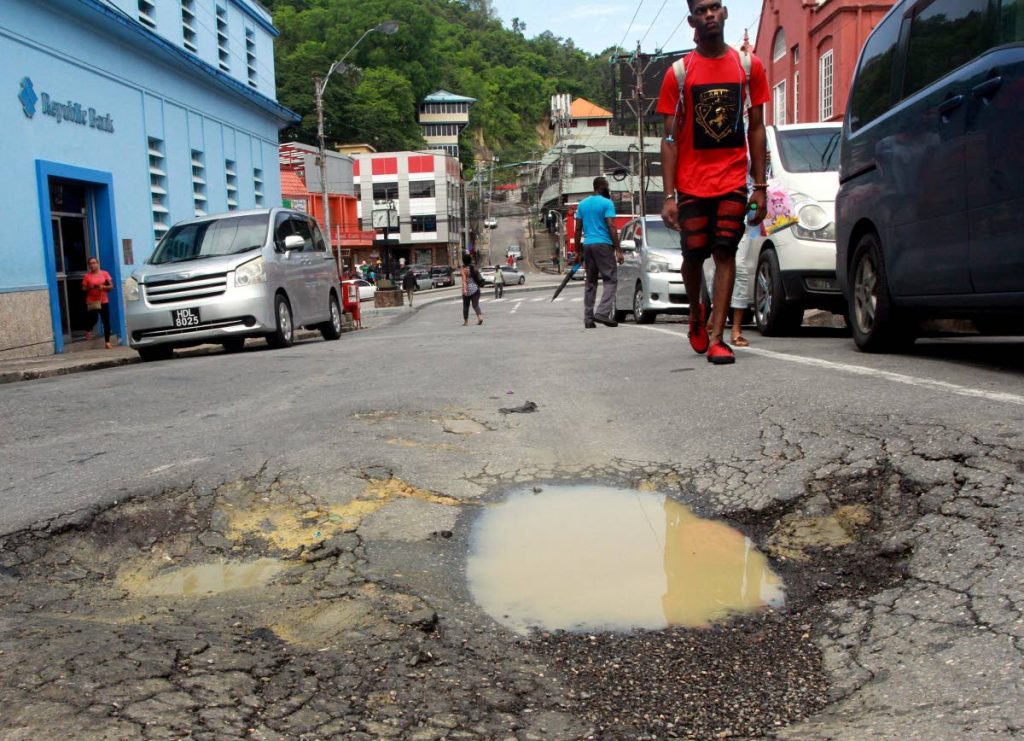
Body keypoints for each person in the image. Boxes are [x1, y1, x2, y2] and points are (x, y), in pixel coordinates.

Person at [658, 0, 769, 364]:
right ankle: (696, 312)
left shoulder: (748, 66)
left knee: (725, 251)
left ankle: (718, 337)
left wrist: (760, 187)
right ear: (692, 20)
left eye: (715, 7)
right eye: (702, 10)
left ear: (725, 13)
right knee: (693, 255)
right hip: (691, 182)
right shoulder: (679, 72)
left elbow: (756, 127)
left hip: (733, 178)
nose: (709, 14)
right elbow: (670, 139)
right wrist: (669, 195)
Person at [574, 176, 623, 328]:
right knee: (611, 279)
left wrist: (578, 251)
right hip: (603, 245)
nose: (608, 188)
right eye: (607, 185)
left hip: (588, 245)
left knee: (590, 282)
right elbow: (612, 227)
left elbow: (577, 230)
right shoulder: (607, 203)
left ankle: (588, 319)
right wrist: (618, 250)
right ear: (602, 186)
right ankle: (602, 312)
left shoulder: (582, 204)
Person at [82, 256, 114, 348]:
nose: (92, 265)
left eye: (94, 263)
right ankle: (88, 329)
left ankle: (107, 342)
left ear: (97, 263)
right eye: (90, 263)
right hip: (92, 301)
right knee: (93, 318)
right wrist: (90, 287)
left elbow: (111, 286)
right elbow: (83, 288)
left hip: (103, 300)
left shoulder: (104, 273)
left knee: (106, 321)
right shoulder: (87, 276)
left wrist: (103, 287)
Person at [459, 252, 484, 326]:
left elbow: (464, 281)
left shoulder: (463, 269)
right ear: (470, 260)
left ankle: (466, 322)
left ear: (463, 261)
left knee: (466, 306)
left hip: (467, 290)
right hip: (475, 289)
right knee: (475, 305)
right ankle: (480, 317)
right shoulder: (474, 268)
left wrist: (465, 290)